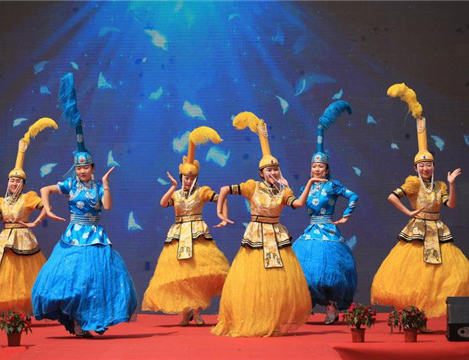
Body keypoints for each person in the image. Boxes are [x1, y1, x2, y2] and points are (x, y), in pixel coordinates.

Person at [31, 73, 137, 337]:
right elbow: (45, 188)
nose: (81, 171)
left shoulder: (98, 187)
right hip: (73, 237)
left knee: (95, 281)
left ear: (92, 168)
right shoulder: (70, 185)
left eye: (85, 168)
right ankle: (76, 320)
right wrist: (48, 207)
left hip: (95, 237)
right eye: (78, 168)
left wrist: (106, 184)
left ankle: (88, 320)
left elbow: (108, 206)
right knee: (71, 280)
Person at [371, 83, 469, 319]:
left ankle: (429, 311)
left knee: (445, 274)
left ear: (433, 167)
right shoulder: (412, 183)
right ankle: (414, 313)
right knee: (414, 273)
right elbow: (391, 196)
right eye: (422, 165)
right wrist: (408, 213)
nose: (426, 168)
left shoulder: (440, 185)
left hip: (437, 228)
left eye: (429, 165)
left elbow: (451, 205)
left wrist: (452, 184)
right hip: (418, 229)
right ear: (416, 167)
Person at [211, 112, 324, 337]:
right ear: (261, 173)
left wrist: (310, 182)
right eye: (268, 170)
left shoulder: (284, 191)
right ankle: (255, 318)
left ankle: (273, 319)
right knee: (255, 280)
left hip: (276, 235)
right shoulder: (252, 186)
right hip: (257, 236)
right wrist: (221, 212)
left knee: (277, 279)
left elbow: (299, 204)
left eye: (275, 169)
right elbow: (224, 190)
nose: (273, 173)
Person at [0, 118, 57, 315]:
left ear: (22, 184)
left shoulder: (28, 197)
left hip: (23, 238)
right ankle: (9, 312)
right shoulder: (1, 201)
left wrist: (36, 220)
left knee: (23, 275)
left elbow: (43, 205)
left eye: (17, 181)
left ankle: (23, 312)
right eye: (11, 181)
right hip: (4, 239)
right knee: (2, 274)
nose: (13, 183)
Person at [142, 126, 230, 326]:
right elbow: (163, 204)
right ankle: (185, 311)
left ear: (196, 178)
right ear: (181, 177)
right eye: (185, 178)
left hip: (197, 234)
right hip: (179, 234)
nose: (188, 181)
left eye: (191, 178)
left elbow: (220, 198)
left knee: (196, 274)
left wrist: (223, 216)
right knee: (181, 274)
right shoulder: (176, 194)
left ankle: (197, 311)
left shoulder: (202, 192)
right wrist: (172, 186)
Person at [292, 101, 358, 324]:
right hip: (311, 231)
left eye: (320, 167)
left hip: (328, 230)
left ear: (327, 168)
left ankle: (331, 307)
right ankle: (307, 305)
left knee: (330, 272)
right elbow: (297, 203)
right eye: (313, 167)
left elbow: (353, 196)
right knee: (305, 270)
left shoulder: (332, 186)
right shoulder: (306, 187)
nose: (316, 169)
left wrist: (346, 215)